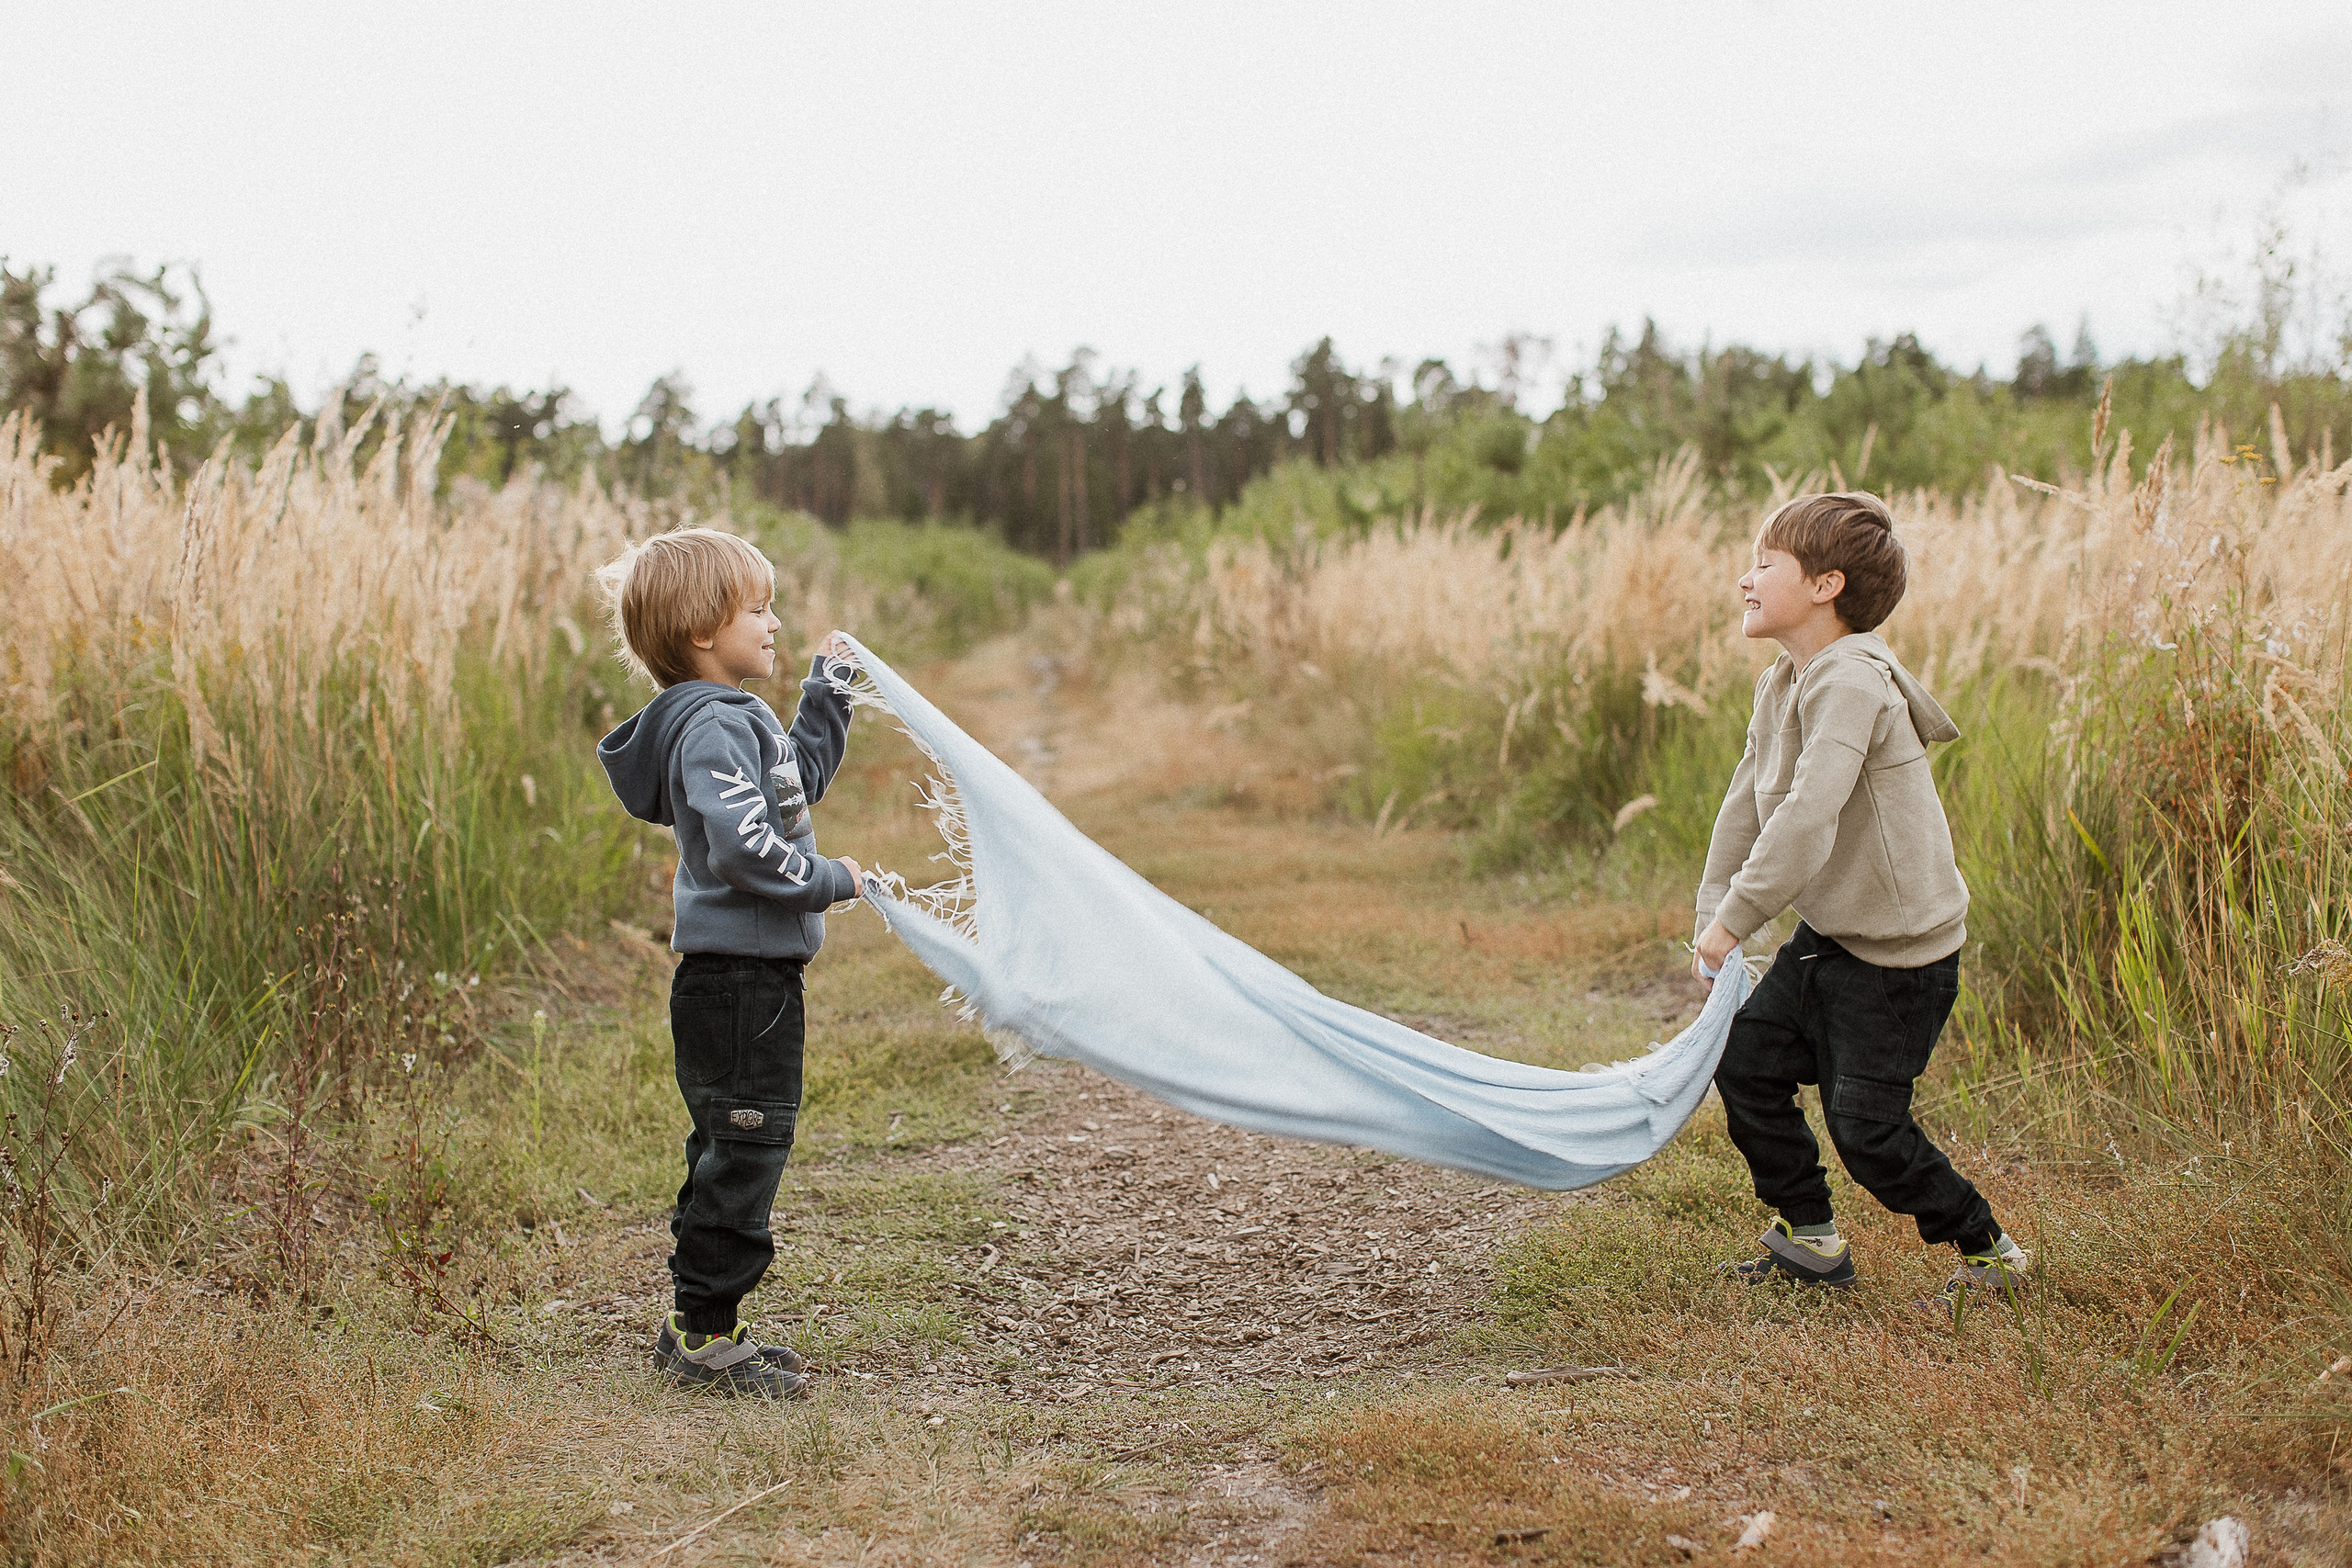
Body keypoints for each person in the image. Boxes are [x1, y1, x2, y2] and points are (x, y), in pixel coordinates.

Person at [1690, 491, 2029, 1308]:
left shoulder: (1851, 682)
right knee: (1744, 1057)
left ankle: (1990, 1249)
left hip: (1900, 959)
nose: (1745, 578)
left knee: (1868, 1131)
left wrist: (1738, 922)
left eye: (1764, 563)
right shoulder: (1786, 680)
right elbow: (1746, 802)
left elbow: (1808, 816)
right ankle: (1811, 1239)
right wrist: (1714, 918)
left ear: (1825, 585)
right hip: (1834, 935)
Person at [594, 527, 865, 1396]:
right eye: (759, 607)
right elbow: (751, 849)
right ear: (704, 629)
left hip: (750, 979)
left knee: (732, 1144)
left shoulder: (736, 721)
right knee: (746, 1147)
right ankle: (706, 1337)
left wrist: (827, 692)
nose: (775, 621)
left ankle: (703, 1322)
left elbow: (795, 784)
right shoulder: (709, 729)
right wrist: (832, 879)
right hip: (739, 983)